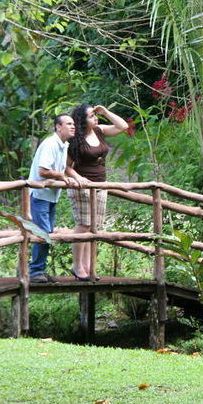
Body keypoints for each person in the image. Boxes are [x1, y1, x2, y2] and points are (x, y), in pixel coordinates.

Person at [67, 104, 128, 280]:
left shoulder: (99, 131)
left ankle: (88, 268)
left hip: (101, 185)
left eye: (95, 115)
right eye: (91, 116)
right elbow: (66, 166)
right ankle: (78, 267)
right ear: (82, 120)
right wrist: (78, 178)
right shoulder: (75, 139)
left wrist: (105, 112)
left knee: (94, 227)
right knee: (83, 225)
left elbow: (123, 126)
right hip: (82, 186)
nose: (95, 118)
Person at [27, 114, 78, 283]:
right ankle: (35, 271)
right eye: (68, 124)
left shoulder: (64, 145)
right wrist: (61, 176)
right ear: (58, 126)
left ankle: (38, 269)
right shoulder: (50, 144)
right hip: (40, 195)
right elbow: (43, 171)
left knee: (47, 232)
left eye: (73, 124)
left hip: (50, 196)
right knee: (43, 233)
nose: (73, 126)